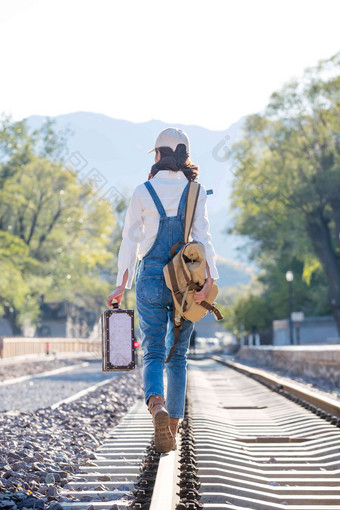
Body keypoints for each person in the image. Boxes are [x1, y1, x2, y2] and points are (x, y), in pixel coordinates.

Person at [107, 127, 219, 453]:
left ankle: (157, 406)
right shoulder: (195, 191)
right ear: (184, 155)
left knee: (153, 351)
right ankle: (172, 428)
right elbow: (204, 238)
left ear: (158, 155)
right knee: (178, 356)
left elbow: (129, 239)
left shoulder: (143, 191)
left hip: (150, 279)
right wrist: (210, 278)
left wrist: (120, 284)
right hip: (185, 284)